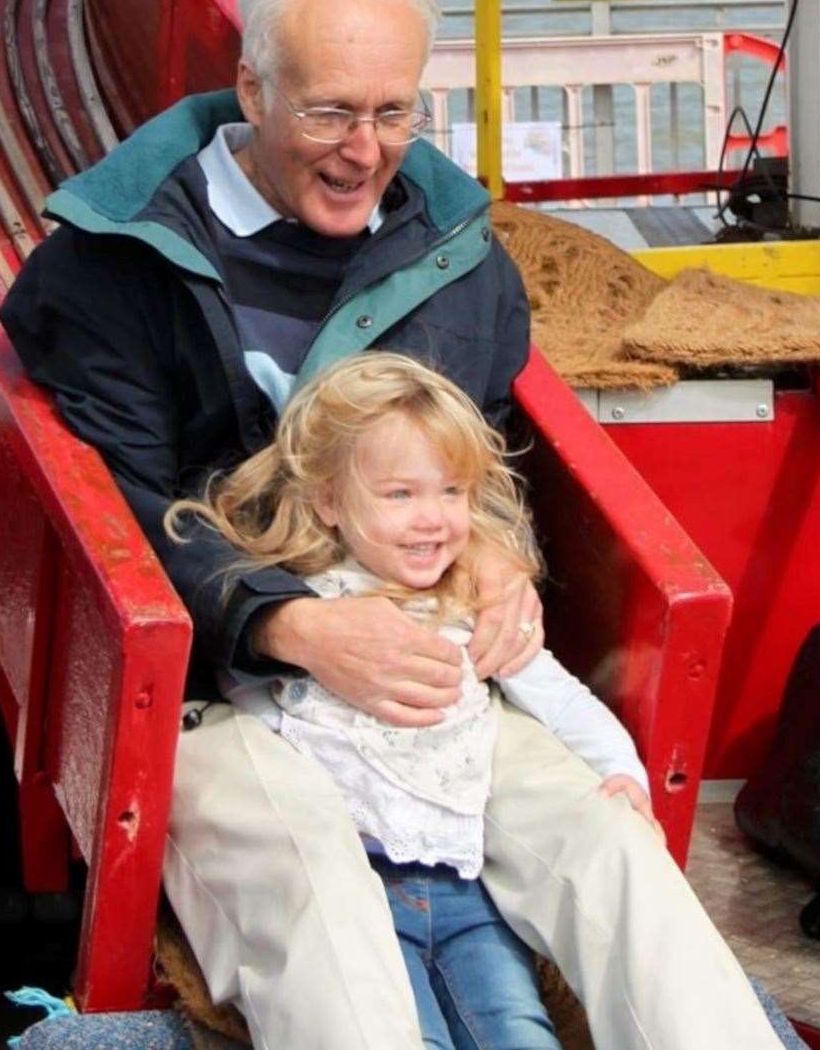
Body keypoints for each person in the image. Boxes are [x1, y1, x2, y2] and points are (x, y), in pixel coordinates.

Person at [0, 0, 787, 1050]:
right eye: (326, 113)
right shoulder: (117, 264)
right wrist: (294, 625)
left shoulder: (457, 256)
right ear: (252, 90)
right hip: (227, 689)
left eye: (394, 113)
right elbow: (123, 502)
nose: (362, 151)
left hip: (429, 672)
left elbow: (488, 445)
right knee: (311, 881)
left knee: (601, 841)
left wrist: (503, 547)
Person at [165, 352, 662, 1050]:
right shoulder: (311, 613)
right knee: (400, 1029)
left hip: (468, 892)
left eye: (452, 491)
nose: (432, 519)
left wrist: (623, 771)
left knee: (517, 1033)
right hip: (362, 894)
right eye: (400, 495)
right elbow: (254, 711)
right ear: (328, 501)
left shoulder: (467, 610)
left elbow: (561, 699)